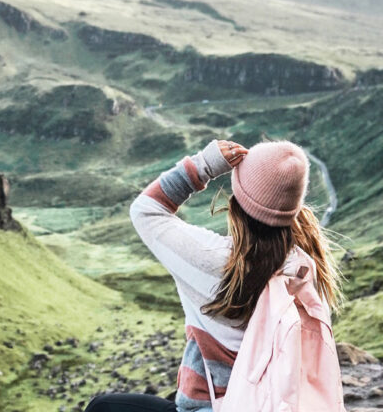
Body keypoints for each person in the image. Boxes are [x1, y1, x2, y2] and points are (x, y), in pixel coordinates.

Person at [83, 137, 343, 412]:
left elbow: (146, 210)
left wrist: (203, 165)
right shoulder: (307, 268)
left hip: (216, 407)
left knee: (103, 406)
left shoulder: (216, 262)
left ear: (237, 202)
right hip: (276, 404)